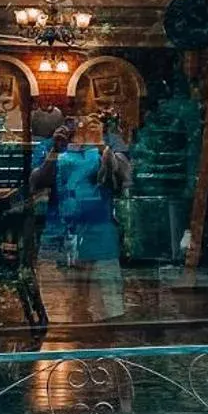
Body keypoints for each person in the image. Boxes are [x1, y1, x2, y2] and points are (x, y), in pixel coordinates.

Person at [28, 106, 131, 323]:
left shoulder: (109, 140)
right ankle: (69, 345)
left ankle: (107, 347)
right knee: (64, 302)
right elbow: (36, 183)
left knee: (108, 300)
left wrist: (101, 144)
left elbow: (124, 179)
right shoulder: (54, 143)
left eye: (87, 118)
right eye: (75, 119)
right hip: (61, 231)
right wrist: (55, 151)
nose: (81, 124)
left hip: (100, 229)